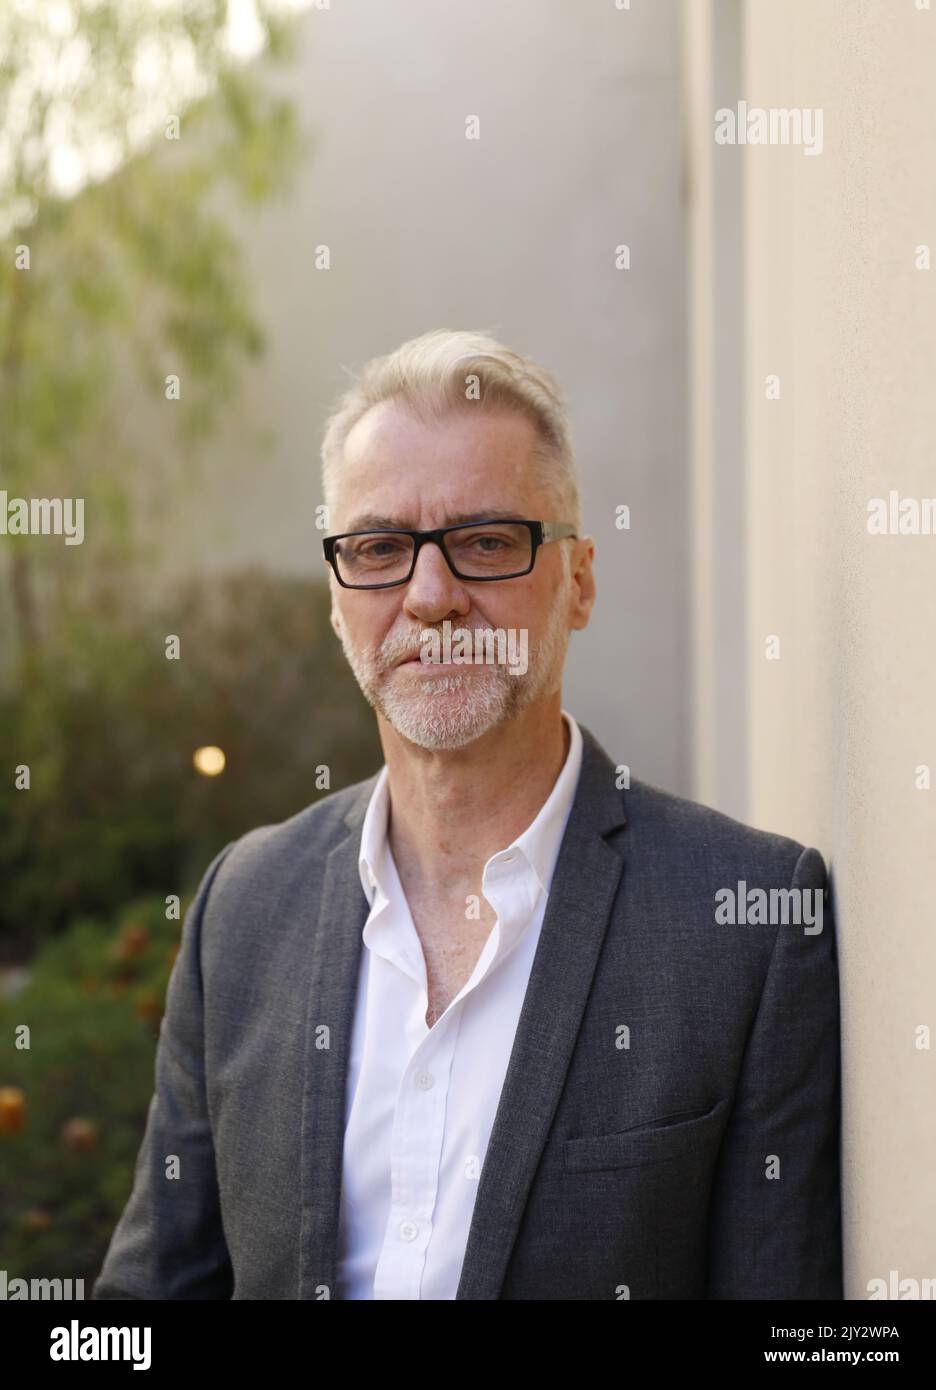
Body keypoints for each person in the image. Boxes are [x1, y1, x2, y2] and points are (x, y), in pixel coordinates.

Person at [93, 328, 842, 1300]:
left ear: (577, 580)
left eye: (486, 541)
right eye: (378, 548)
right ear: (335, 596)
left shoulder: (747, 920)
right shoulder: (244, 907)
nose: (430, 596)